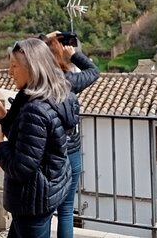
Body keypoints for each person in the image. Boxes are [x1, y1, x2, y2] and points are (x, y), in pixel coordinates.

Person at [0, 38, 79, 238]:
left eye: (14, 66)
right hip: (45, 191)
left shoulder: (35, 108)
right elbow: (30, 140)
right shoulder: (54, 95)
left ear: (33, 68)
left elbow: (21, 168)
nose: (9, 72)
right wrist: (4, 119)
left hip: (33, 200)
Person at [43, 31, 100, 238]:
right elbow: (94, 71)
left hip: (48, 153)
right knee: (66, 209)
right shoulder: (69, 81)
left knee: (46, 208)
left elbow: (25, 50)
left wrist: (45, 39)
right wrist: (74, 55)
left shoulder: (38, 83)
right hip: (72, 150)